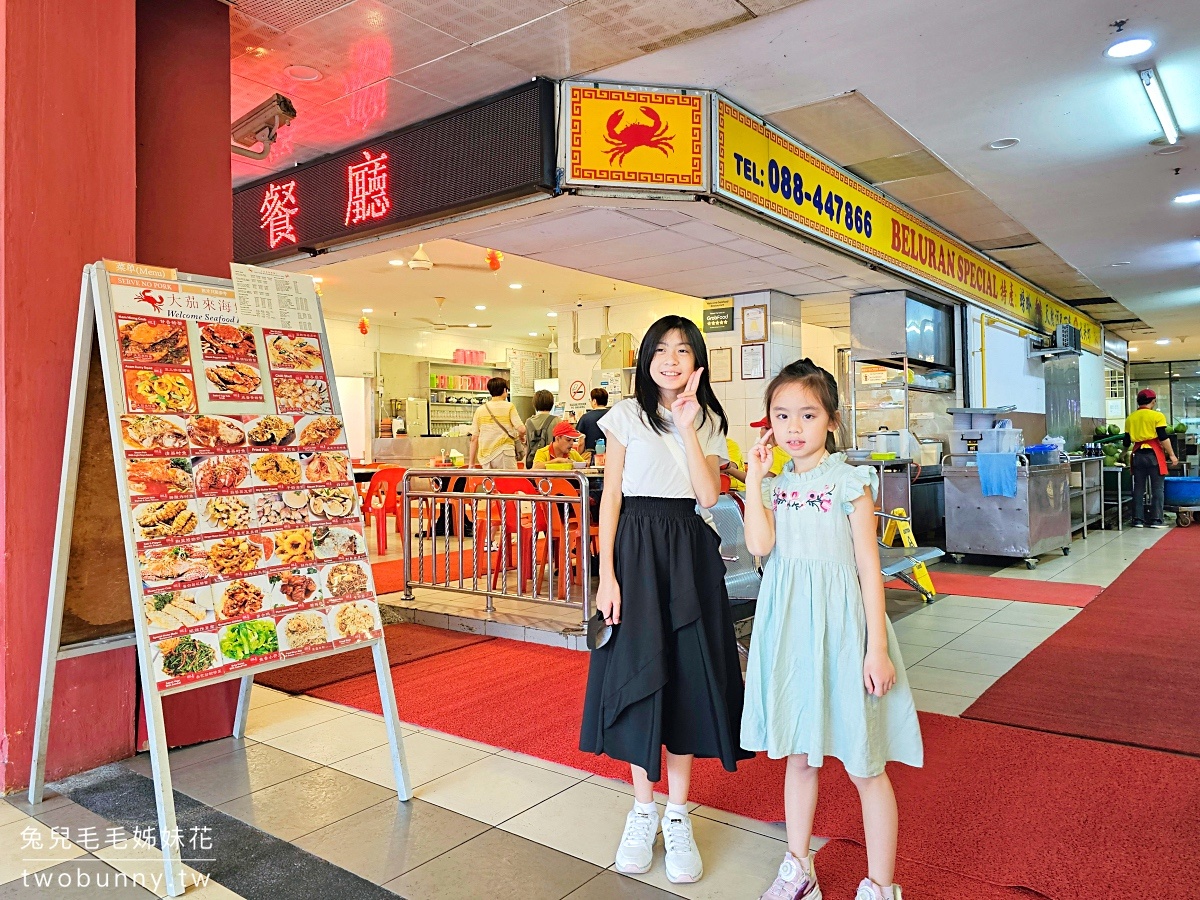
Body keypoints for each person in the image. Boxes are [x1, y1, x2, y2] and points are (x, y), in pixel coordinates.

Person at [580, 315, 752, 885]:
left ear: (697, 361)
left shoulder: (708, 420)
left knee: (685, 677)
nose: (670, 359)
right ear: (646, 358)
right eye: (661, 349)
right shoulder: (624, 416)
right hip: (634, 551)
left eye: (682, 350)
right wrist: (606, 575)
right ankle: (642, 810)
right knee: (638, 671)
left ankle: (677, 814)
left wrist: (685, 426)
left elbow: (708, 496)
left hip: (688, 552)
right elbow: (610, 500)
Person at [741, 358, 922, 900]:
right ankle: (799, 868)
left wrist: (877, 648)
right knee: (798, 753)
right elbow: (759, 546)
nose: (794, 428)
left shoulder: (850, 481)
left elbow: (869, 567)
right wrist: (753, 475)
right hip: (791, 629)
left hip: (845, 631)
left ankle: (881, 885)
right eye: (783, 416)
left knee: (866, 761)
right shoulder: (773, 487)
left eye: (808, 415)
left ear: (832, 422)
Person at [1123, 388, 1179, 528]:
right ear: (1153, 401)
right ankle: (1156, 520)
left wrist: (1122, 454)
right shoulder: (1157, 416)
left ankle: (1137, 520)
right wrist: (1172, 455)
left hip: (1137, 455)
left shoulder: (1131, 418)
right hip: (1153, 454)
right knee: (1157, 488)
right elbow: (1163, 437)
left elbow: (1126, 441)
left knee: (1138, 488)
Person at [468, 377, 525, 470]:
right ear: (504, 390)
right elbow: (521, 429)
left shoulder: (480, 410)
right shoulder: (509, 406)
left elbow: (474, 438)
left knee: (491, 484)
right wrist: (521, 437)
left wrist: (471, 464)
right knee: (508, 483)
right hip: (504, 453)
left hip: (485, 457)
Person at [525, 389, 560, 468]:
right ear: (551, 403)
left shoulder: (528, 422)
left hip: (531, 461)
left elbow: (527, 444)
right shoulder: (556, 420)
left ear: (535, 404)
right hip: (549, 461)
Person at [577, 388, 611, 453]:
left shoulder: (585, 418)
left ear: (594, 401)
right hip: (610, 454)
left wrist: (579, 457)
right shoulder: (613, 415)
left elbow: (581, 442)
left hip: (591, 456)